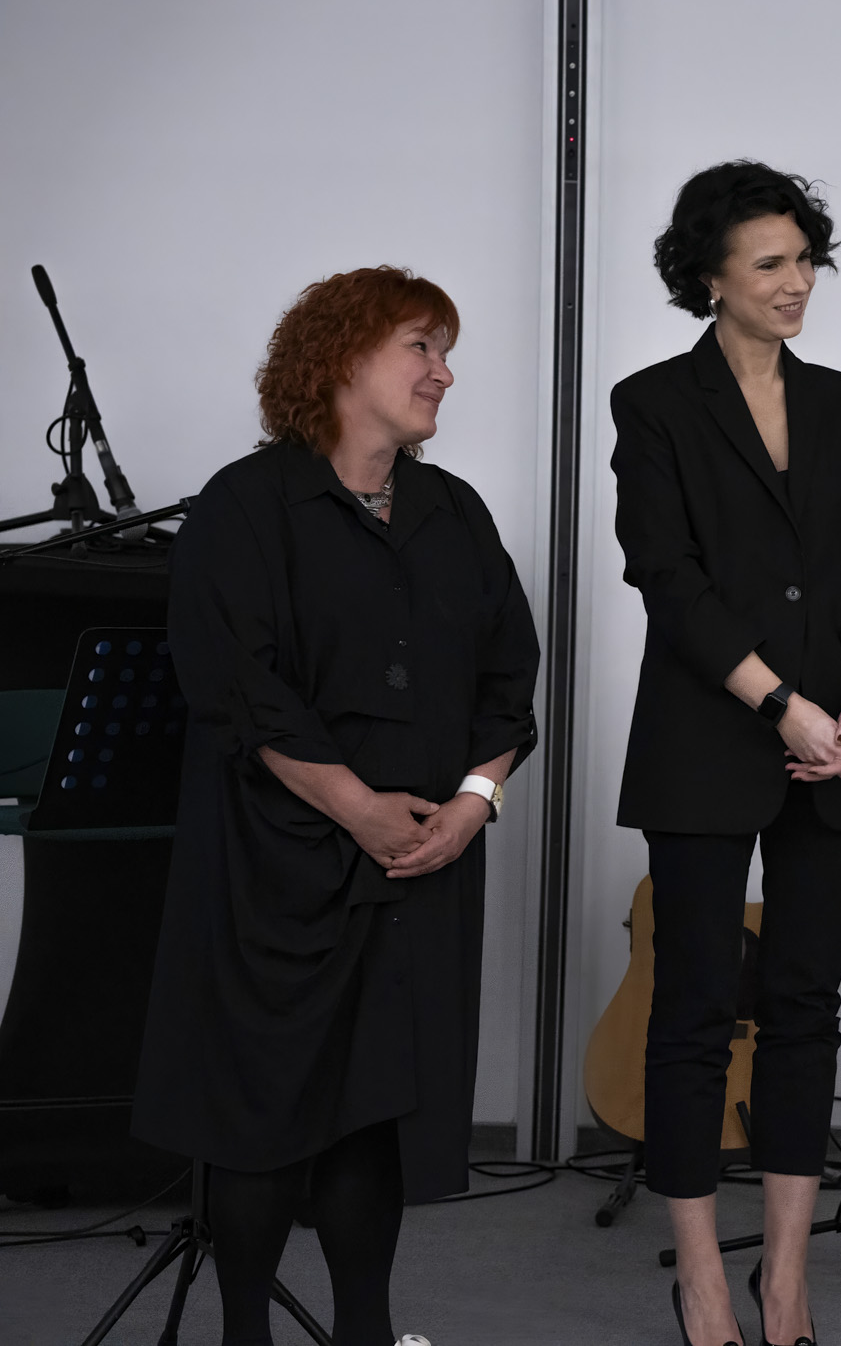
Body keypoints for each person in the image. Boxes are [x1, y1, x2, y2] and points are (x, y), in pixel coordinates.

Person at [131, 266, 539, 1346]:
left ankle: (365, 1329)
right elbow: (238, 683)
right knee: (261, 1114)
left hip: (423, 863)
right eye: (421, 346)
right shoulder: (245, 506)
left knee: (374, 1114)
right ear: (343, 356)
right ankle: (247, 1334)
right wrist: (357, 807)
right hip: (276, 865)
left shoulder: (455, 514)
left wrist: (473, 803)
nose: (443, 372)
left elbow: (510, 680)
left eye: (446, 350)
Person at [611, 160, 841, 1346]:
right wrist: (781, 705)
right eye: (769, 264)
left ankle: (783, 1282)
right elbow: (666, 580)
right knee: (690, 1011)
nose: (797, 283)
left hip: (840, 743)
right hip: (708, 739)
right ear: (709, 279)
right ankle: (698, 1277)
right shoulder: (652, 404)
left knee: (802, 1010)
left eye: (804, 260)